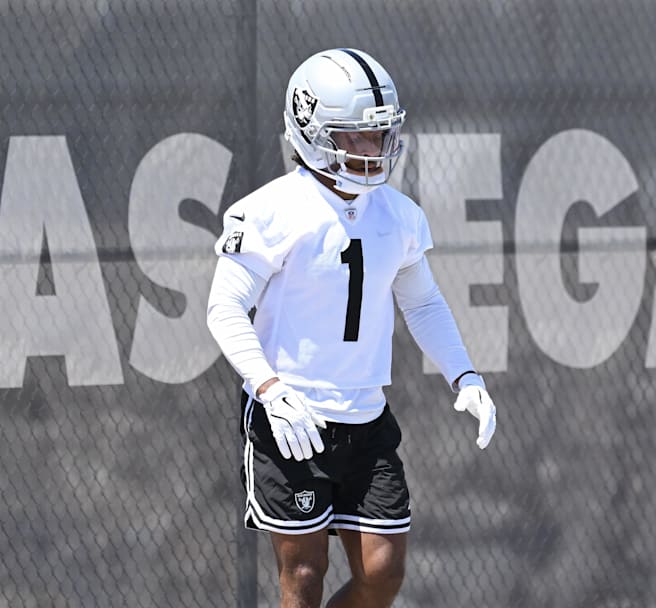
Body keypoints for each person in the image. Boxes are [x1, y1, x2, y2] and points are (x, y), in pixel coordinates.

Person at [206, 47, 497, 608]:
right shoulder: (269, 211)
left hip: (365, 414)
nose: (374, 150)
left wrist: (465, 376)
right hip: (292, 417)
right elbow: (223, 308)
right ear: (312, 133)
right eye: (356, 137)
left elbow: (425, 303)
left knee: (383, 570)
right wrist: (270, 390)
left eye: (381, 135)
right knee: (305, 576)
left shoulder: (400, 215)